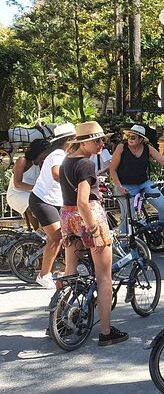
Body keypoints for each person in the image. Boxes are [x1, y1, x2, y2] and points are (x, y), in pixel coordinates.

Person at [59, 121, 128, 346]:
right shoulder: (86, 165)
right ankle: (106, 332)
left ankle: (59, 321)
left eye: (102, 140)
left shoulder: (65, 162)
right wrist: (93, 229)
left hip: (67, 218)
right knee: (104, 278)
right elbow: (83, 201)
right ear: (84, 142)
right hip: (88, 217)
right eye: (97, 141)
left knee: (70, 273)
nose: (101, 144)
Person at [109, 125, 164, 235]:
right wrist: (120, 187)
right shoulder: (121, 147)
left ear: (141, 139)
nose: (130, 139)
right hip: (125, 185)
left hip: (144, 183)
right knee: (128, 216)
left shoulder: (147, 149)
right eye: (129, 136)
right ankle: (124, 245)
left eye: (133, 137)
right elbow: (112, 170)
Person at [30, 123, 77, 289]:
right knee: (56, 237)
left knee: (69, 234)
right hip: (43, 201)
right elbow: (56, 174)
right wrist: (74, 182)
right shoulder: (57, 154)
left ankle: (64, 270)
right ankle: (44, 275)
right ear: (70, 139)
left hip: (56, 201)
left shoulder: (64, 154)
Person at [6, 139, 50, 230]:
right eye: (47, 152)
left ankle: (39, 235)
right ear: (41, 152)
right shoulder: (23, 161)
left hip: (31, 194)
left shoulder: (40, 165)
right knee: (38, 206)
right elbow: (17, 183)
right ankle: (40, 232)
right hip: (17, 194)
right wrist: (36, 188)